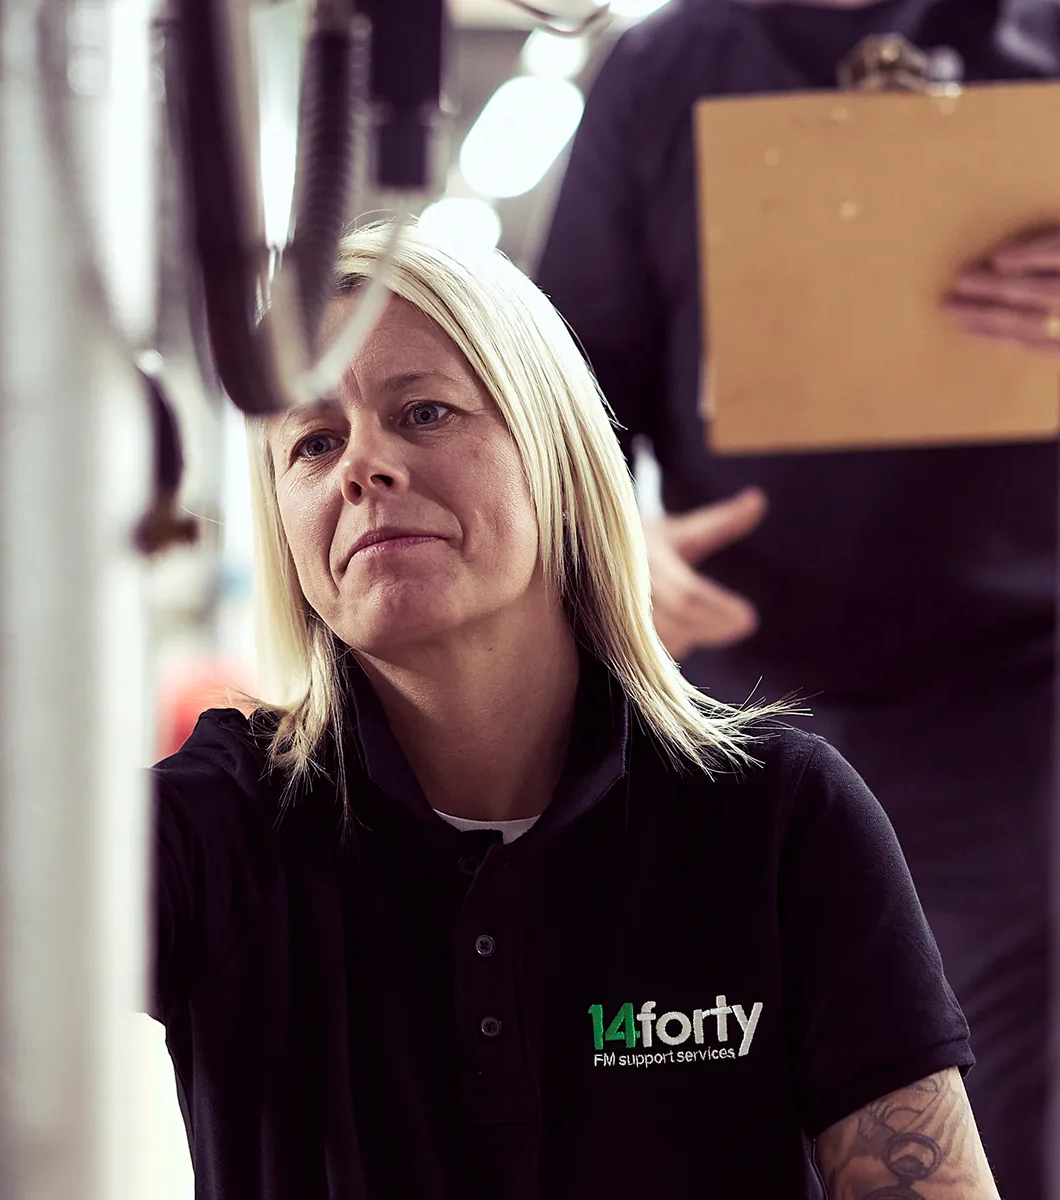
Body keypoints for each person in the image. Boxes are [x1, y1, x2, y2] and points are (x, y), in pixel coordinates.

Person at [149, 222, 998, 1199]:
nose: (361, 467)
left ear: (557, 462)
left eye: (424, 412)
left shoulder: (777, 818)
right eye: (314, 442)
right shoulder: (222, 829)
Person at [534, 2, 1059, 1197]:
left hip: (1015, 698)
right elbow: (566, 396)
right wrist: (614, 541)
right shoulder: (664, 70)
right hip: (741, 703)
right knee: (733, 1095)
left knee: (993, 1117)